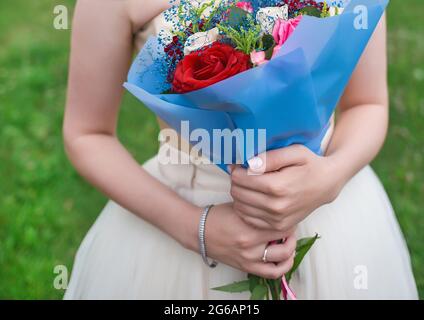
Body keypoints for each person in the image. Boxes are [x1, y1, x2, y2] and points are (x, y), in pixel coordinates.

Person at [63, 0, 418, 299]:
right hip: (182, 216)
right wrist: (199, 230)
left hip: (332, 215)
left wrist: (331, 176)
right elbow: (87, 133)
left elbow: (367, 104)